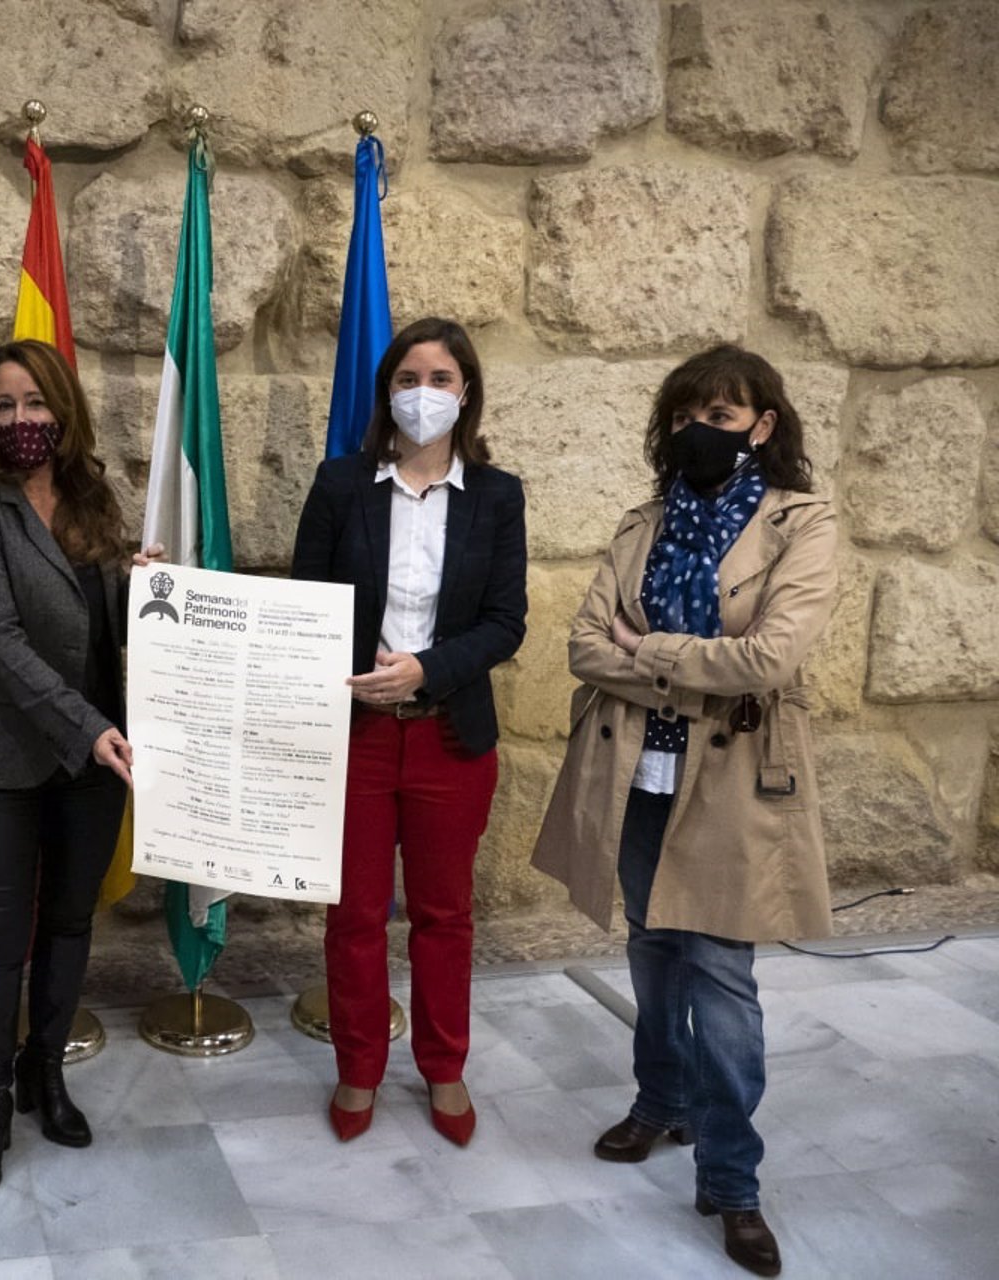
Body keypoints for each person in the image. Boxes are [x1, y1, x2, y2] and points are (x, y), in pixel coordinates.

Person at [532, 345, 837, 1277]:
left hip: (735, 784)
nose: (699, 429)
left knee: (722, 979)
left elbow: (769, 661)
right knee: (651, 953)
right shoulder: (643, 522)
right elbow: (586, 647)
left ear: (763, 425)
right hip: (633, 777)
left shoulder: (802, 524)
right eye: (685, 414)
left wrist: (650, 649)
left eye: (721, 413)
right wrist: (678, 653)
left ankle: (733, 1182)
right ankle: (659, 1102)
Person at [290, 316, 527, 1149]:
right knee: (352, 915)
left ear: (466, 394)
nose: (422, 394)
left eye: (441, 379)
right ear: (385, 390)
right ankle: (359, 1066)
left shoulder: (498, 496)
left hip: (449, 737)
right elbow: (302, 606)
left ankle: (444, 1065)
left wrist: (426, 669)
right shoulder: (339, 484)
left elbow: (506, 622)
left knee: (443, 914)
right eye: (407, 378)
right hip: (353, 736)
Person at [0, 340, 138, 1199]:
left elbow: (98, 617)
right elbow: (2, 638)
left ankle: (43, 1075)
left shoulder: (94, 497)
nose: (21, 421)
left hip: (93, 754)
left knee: (66, 923)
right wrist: (89, 728)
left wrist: (150, 591)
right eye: (5, 406)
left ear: (64, 409)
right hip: (3, 754)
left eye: (34, 404)